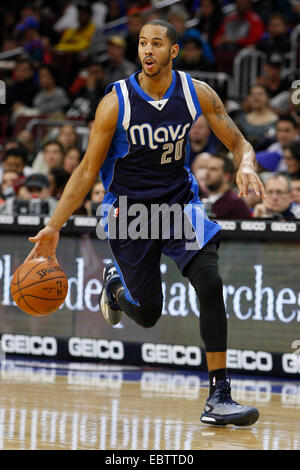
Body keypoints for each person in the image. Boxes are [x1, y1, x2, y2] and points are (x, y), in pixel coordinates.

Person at [26, 20, 264, 427]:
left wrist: (244, 164)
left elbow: (240, 141)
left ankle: (219, 395)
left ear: (173, 51)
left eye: (156, 43)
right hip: (129, 211)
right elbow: (86, 169)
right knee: (149, 314)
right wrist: (54, 225)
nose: (147, 50)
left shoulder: (195, 92)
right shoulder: (115, 102)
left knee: (210, 282)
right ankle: (115, 288)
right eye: (142, 43)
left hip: (178, 203)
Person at [204, 154, 252, 219]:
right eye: (206, 168)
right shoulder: (200, 200)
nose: (207, 173)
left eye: (213, 169)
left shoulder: (236, 203)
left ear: (226, 176)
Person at [236, 84, 278, 149]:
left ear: (267, 97)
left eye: (260, 94)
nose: (256, 97)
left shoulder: (277, 120)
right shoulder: (241, 120)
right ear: (248, 98)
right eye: (252, 94)